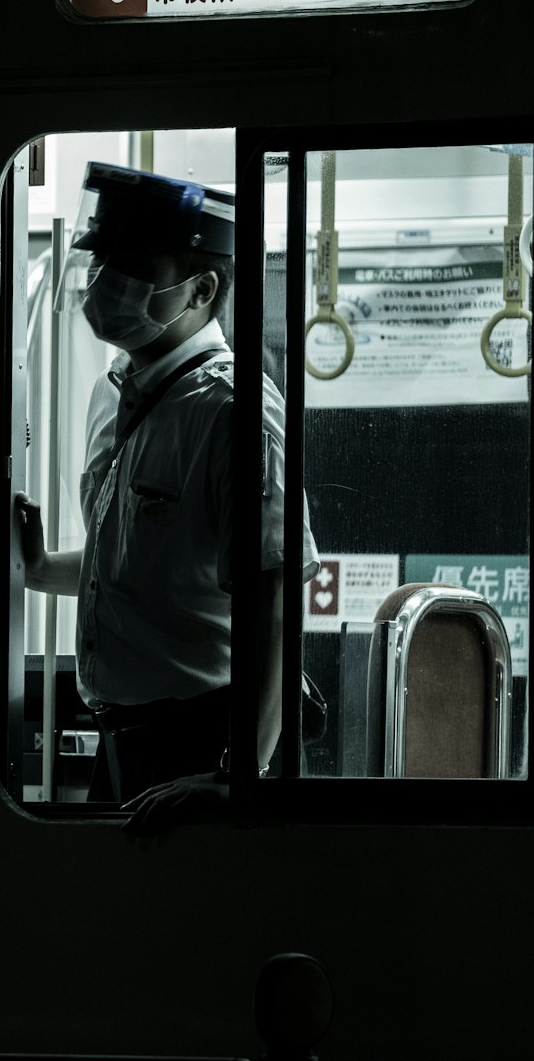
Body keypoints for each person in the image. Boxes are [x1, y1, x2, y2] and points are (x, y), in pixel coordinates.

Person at [16, 161, 318, 821]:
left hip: (203, 744)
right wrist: (39, 567)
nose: (104, 284)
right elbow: (139, 568)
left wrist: (240, 775)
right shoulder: (111, 393)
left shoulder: (233, 411)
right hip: (121, 742)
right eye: (102, 263)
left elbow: (272, 599)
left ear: (202, 288)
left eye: (132, 266)